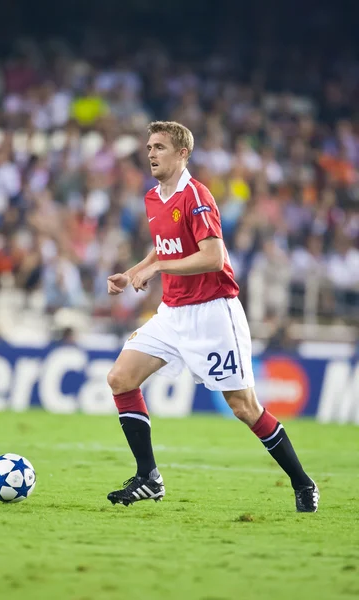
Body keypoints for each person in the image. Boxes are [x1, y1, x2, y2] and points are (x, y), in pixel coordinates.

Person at [106, 121, 319, 512]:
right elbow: (163, 248)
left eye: (159, 147)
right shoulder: (154, 197)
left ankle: (303, 483)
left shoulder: (196, 195)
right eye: (149, 147)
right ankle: (148, 477)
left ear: (182, 153)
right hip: (172, 312)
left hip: (213, 312)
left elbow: (213, 256)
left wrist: (156, 271)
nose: (151, 154)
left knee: (244, 407)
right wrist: (136, 270)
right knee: (120, 378)